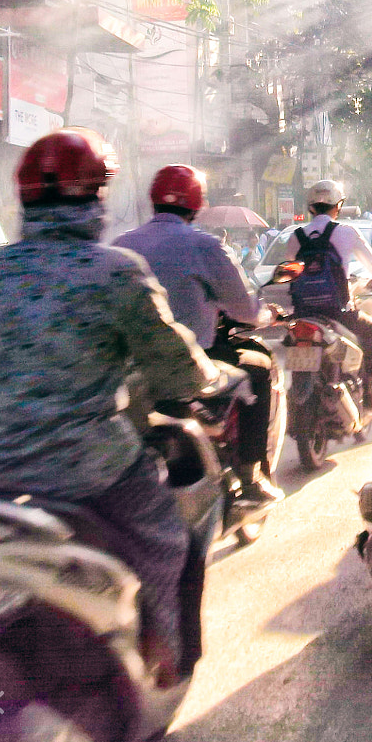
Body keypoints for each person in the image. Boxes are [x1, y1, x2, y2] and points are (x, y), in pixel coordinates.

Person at [0, 129, 217, 684]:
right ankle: (162, 659)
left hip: (2, 463)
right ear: (94, 195)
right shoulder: (115, 271)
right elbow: (172, 362)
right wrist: (205, 376)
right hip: (95, 467)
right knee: (167, 539)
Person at [115, 165, 282, 508]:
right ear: (196, 204)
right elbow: (244, 310)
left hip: (132, 370)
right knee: (261, 368)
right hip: (196, 362)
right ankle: (251, 477)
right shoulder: (204, 245)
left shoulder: (121, 245)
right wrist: (266, 315)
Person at [280, 179, 372, 407]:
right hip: (338, 312)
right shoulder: (347, 232)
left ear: (310, 207)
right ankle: (370, 395)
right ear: (338, 205)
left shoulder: (295, 236)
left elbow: (291, 273)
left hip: (302, 314)